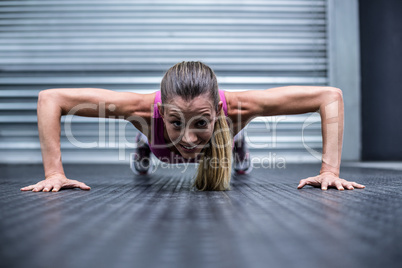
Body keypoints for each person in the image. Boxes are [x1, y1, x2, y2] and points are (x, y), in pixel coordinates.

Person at [20, 61, 365, 192]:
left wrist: (329, 169)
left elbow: (330, 96)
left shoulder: (241, 107)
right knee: (164, 150)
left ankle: (235, 144)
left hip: (225, 133)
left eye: (201, 121)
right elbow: (51, 98)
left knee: (222, 143)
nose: (188, 137)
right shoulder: (140, 109)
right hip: (155, 142)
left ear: (216, 110)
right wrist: (54, 173)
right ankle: (145, 144)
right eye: (175, 122)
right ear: (162, 109)